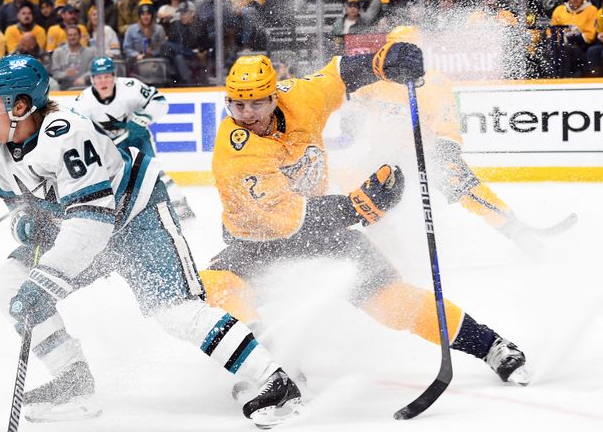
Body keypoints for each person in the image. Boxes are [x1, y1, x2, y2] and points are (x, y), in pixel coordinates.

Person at [0, 54, 303, 428]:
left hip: (136, 217)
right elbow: (19, 204)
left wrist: (44, 281)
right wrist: (24, 223)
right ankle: (73, 382)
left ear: (20, 106)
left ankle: (275, 381)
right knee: (7, 283)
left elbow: (92, 224)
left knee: (176, 312)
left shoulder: (67, 134)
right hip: (80, 226)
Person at [198, 51, 531, 399]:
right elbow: (288, 221)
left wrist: (384, 62)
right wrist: (357, 206)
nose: (247, 114)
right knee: (217, 288)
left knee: (394, 304)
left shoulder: (300, 97)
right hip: (256, 244)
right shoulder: (235, 153)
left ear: (274, 97)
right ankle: (270, 370)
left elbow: (339, 73)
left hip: (324, 237)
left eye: (255, 104)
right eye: (237, 105)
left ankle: (491, 345)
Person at [344, 26, 555, 251]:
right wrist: (351, 116)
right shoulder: (375, 80)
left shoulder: (433, 83)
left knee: (466, 189)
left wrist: (446, 146)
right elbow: (353, 107)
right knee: (363, 195)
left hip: (424, 152)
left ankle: (515, 229)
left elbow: (447, 120)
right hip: (383, 155)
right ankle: (385, 249)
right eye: (395, 49)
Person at [74, 56, 196, 219]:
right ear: (92, 80)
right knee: (115, 181)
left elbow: (160, 102)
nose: (103, 82)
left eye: (107, 77)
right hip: (109, 146)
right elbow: (79, 131)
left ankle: (180, 205)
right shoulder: (83, 103)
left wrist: (140, 120)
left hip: (137, 138)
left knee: (152, 173)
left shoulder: (131, 87)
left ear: (114, 76)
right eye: (99, 78)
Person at [123, 0, 166, 65]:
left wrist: (152, 52)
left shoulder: (159, 29)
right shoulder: (131, 29)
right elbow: (126, 48)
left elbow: (163, 47)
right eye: (143, 14)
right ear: (139, 16)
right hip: (136, 63)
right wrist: (137, 55)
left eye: (148, 14)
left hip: (155, 62)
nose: (145, 17)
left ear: (152, 15)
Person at [50, 24, 94, 89]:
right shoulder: (58, 53)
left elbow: (93, 70)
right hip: (64, 90)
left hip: (86, 88)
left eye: (75, 34)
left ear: (80, 36)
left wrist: (84, 78)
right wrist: (65, 74)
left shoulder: (90, 52)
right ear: (66, 37)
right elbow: (55, 73)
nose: (72, 37)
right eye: (70, 35)